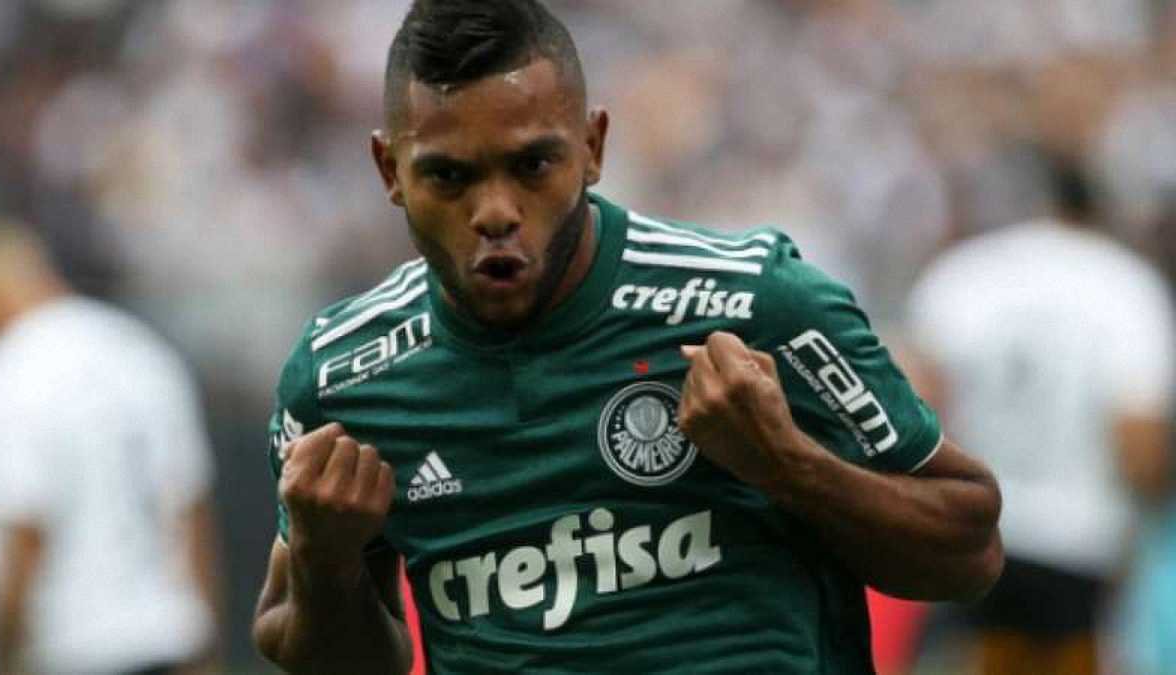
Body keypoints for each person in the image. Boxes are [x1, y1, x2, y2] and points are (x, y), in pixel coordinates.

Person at [252, 2, 1004, 673]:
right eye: (449, 177)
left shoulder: (754, 303)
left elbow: (970, 550)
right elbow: (337, 656)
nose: (495, 211)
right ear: (389, 169)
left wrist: (788, 464)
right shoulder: (342, 380)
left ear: (593, 146)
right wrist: (325, 561)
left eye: (533, 165)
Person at [906, 158, 1175, 675]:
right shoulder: (1128, 287)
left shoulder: (964, 273)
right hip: (1081, 544)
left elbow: (913, 413)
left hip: (971, 529)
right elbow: (1139, 448)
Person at [0, 220, 222, 675]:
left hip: (73, 648)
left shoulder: (13, 369)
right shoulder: (140, 348)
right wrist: (204, 646)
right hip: (168, 637)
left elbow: (26, 529)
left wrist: (4, 659)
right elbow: (190, 511)